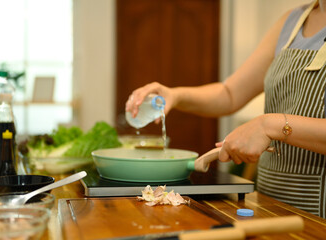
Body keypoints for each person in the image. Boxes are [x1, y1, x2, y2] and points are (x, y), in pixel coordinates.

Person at [125, 0, 326, 218]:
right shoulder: (292, 21)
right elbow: (230, 93)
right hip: (274, 202)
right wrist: (175, 95)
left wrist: (269, 125)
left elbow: (269, 124)